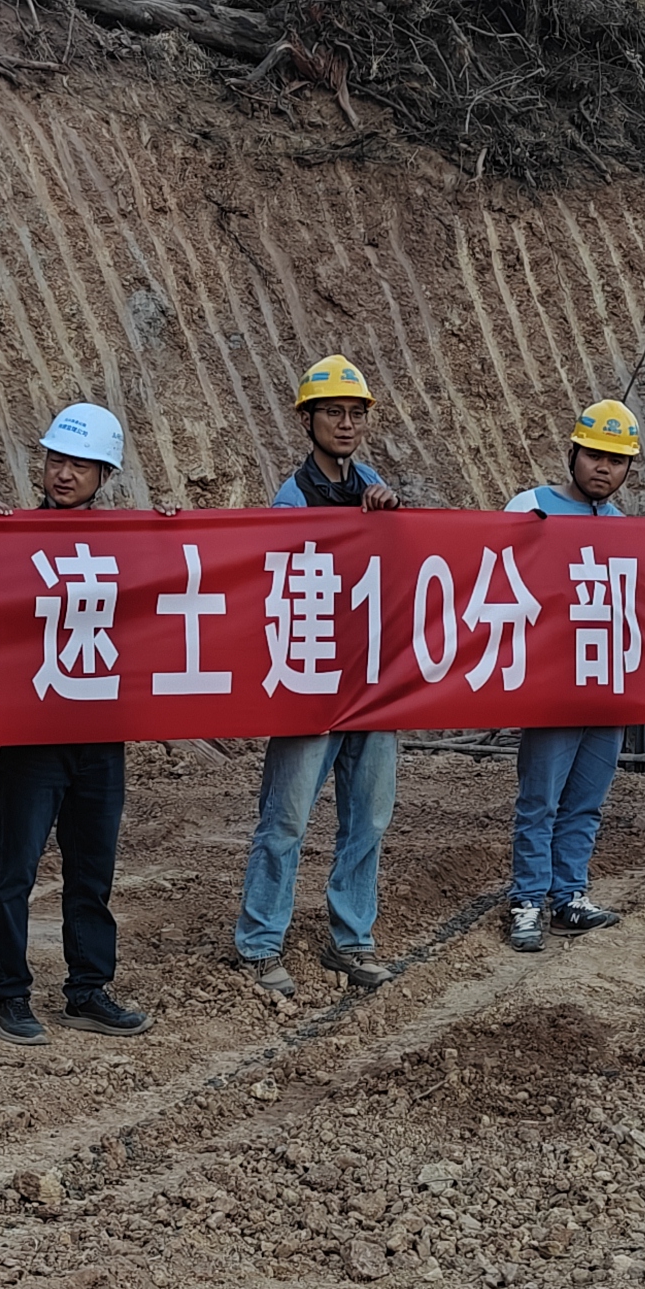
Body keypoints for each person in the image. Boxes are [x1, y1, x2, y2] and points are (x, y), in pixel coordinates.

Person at [234, 355, 406, 998]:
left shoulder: (375, 486)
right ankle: (258, 943)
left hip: (372, 685)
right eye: (333, 412)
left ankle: (351, 938)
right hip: (309, 685)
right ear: (308, 418)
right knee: (285, 821)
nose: (346, 423)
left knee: (369, 820)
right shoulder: (290, 499)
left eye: (355, 414)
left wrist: (393, 512)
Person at [0, 403, 150, 1046]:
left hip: (100, 733)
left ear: (104, 474)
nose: (64, 473)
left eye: (80, 464)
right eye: (57, 459)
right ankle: (8, 995)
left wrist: (175, 534)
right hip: (33, 733)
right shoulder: (10, 534)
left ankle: (87, 989)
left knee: (92, 870)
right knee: (16, 871)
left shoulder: (128, 545)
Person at [502, 399, 643, 952]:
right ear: (573, 452)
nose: (602, 468)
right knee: (540, 799)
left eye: (615, 460)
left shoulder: (626, 532)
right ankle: (527, 900)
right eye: (593, 455)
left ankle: (569, 895)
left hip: (603, 685)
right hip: (550, 686)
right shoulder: (529, 508)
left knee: (585, 799)